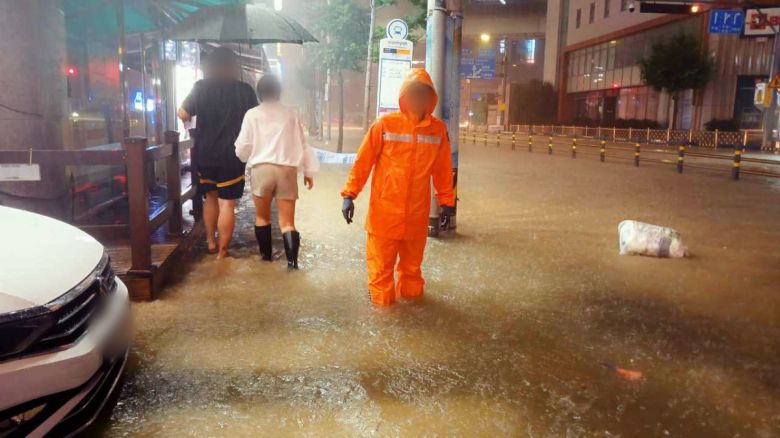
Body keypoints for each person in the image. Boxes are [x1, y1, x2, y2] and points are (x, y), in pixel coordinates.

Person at [340, 68, 455, 306]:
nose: (417, 99)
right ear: (404, 96)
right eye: (413, 93)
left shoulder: (437, 130)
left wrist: (446, 202)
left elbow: (443, 169)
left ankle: (411, 323)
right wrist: (349, 194)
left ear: (430, 98)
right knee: (380, 274)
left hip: (416, 217)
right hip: (384, 215)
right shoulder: (385, 125)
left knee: (412, 273)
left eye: (423, 94)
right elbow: (364, 161)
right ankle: (383, 326)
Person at [178, 47, 258, 259]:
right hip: (232, 156)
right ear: (234, 66)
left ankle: (211, 242)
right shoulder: (245, 90)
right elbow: (257, 118)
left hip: (205, 153)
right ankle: (223, 252)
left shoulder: (200, 88)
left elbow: (182, 112)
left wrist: (192, 124)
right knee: (227, 203)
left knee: (210, 198)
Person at [235, 75, 320, 269]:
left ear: (259, 93)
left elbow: (243, 147)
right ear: (278, 91)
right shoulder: (290, 114)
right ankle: (292, 265)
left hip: (262, 169)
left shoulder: (252, 114)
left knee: (262, 218)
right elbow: (302, 143)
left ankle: (266, 260)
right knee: (287, 222)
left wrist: (247, 157)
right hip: (287, 171)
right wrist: (308, 171)